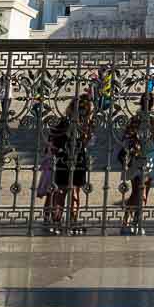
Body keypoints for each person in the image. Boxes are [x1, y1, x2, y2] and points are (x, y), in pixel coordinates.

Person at [45, 93, 95, 235]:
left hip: (72, 160)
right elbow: (55, 138)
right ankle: (62, 221)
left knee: (69, 192)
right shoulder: (66, 122)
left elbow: (86, 141)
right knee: (67, 192)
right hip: (69, 160)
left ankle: (64, 221)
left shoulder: (83, 125)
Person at [119, 92, 154, 235]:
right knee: (139, 190)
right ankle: (130, 220)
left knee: (140, 190)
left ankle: (135, 220)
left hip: (148, 156)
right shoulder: (142, 120)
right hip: (138, 156)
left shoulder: (147, 120)